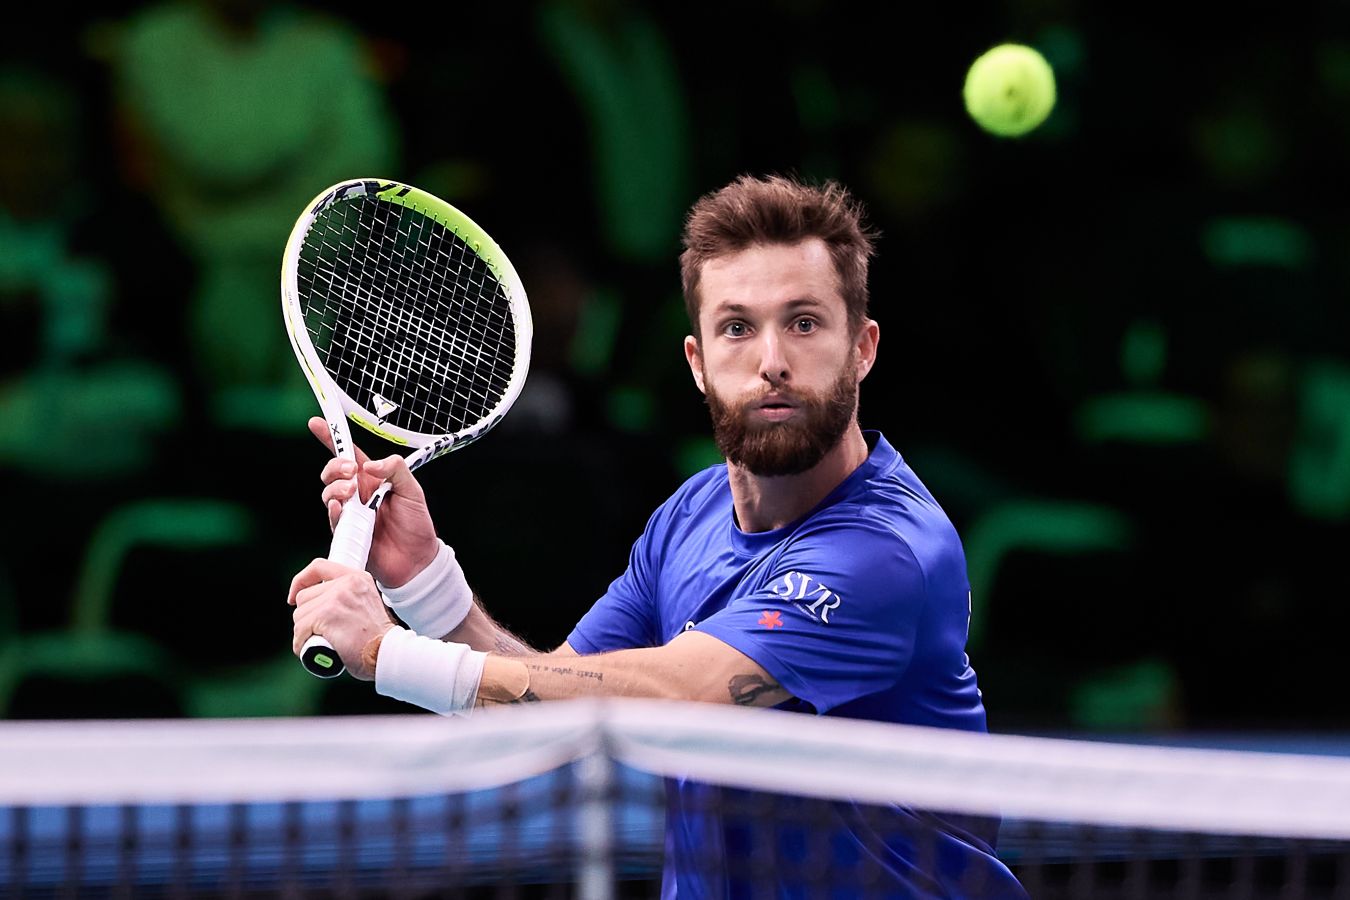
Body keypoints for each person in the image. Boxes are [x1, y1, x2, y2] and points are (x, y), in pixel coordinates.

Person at [288, 174, 1027, 897]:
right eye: (737, 328)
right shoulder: (691, 514)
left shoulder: (885, 551)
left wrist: (385, 652)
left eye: (804, 323)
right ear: (697, 364)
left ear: (862, 348)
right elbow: (561, 705)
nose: (771, 361)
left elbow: (682, 695)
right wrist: (425, 581)